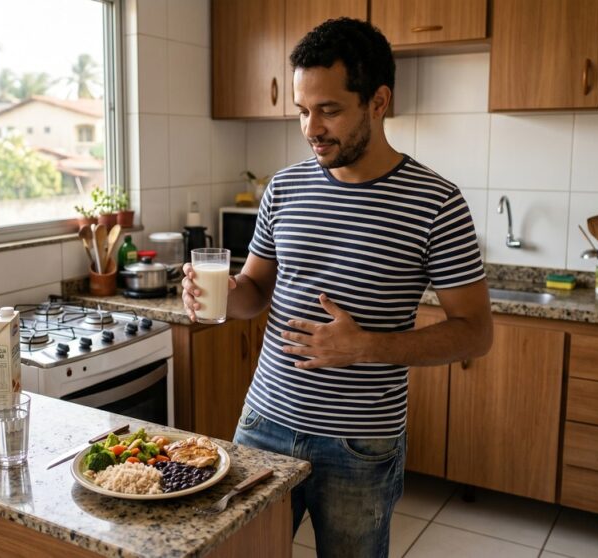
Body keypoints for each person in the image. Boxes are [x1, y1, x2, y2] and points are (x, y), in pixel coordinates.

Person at [181, 17, 493, 558]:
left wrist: (366, 346)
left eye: (329, 110)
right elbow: (255, 289)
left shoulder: (437, 203)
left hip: (360, 443)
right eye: (303, 110)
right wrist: (225, 295)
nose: (311, 128)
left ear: (378, 102)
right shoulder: (284, 187)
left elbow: (475, 333)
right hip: (265, 422)